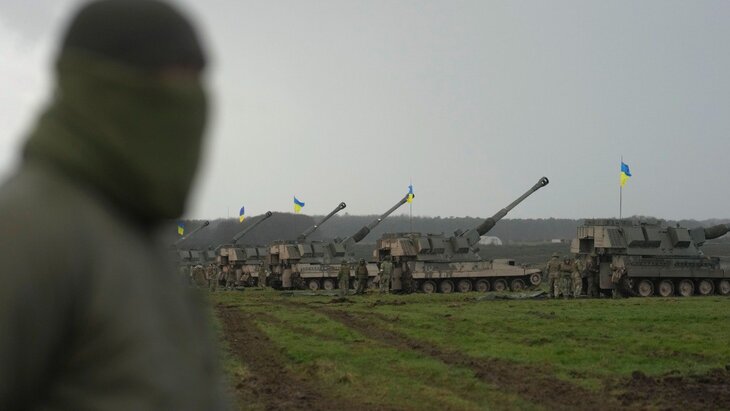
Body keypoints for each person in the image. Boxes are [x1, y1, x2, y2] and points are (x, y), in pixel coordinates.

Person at [0, 1, 229, 409]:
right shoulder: (26, 229)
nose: (191, 100)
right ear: (108, 87)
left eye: (197, 80)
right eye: (173, 78)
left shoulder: (140, 234)